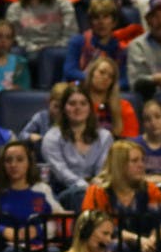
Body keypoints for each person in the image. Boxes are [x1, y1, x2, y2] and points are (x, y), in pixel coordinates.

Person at [41, 83, 113, 211]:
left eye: (83, 103)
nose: (78, 108)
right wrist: (87, 187)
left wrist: (96, 187)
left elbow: (102, 171)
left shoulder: (104, 137)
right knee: (80, 195)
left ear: (90, 108)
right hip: (64, 192)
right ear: (64, 108)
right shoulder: (51, 138)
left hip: (98, 189)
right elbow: (62, 174)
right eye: (72, 103)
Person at [62, 0, 140, 89]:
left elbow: (125, 80)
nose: (101, 22)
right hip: (80, 86)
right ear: (90, 22)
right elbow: (70, 71)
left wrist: (106, 84)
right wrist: (95, 79)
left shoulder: (120, 49)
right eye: (96, 18)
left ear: (114, 22)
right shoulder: (78, 41)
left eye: (106, 17)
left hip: (108, 90)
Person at [82, 55, 138, 138]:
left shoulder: (124, 107)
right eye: (102, 72)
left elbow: (131, 139)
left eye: (110, 76)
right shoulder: (78, 104)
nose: (106, 77)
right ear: (92, 73)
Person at [133, 98, 161, 187]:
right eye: (147, 119)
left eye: (158, 117)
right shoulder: (134, 146)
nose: (153, 123)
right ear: (142, 124)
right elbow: (129, 176)